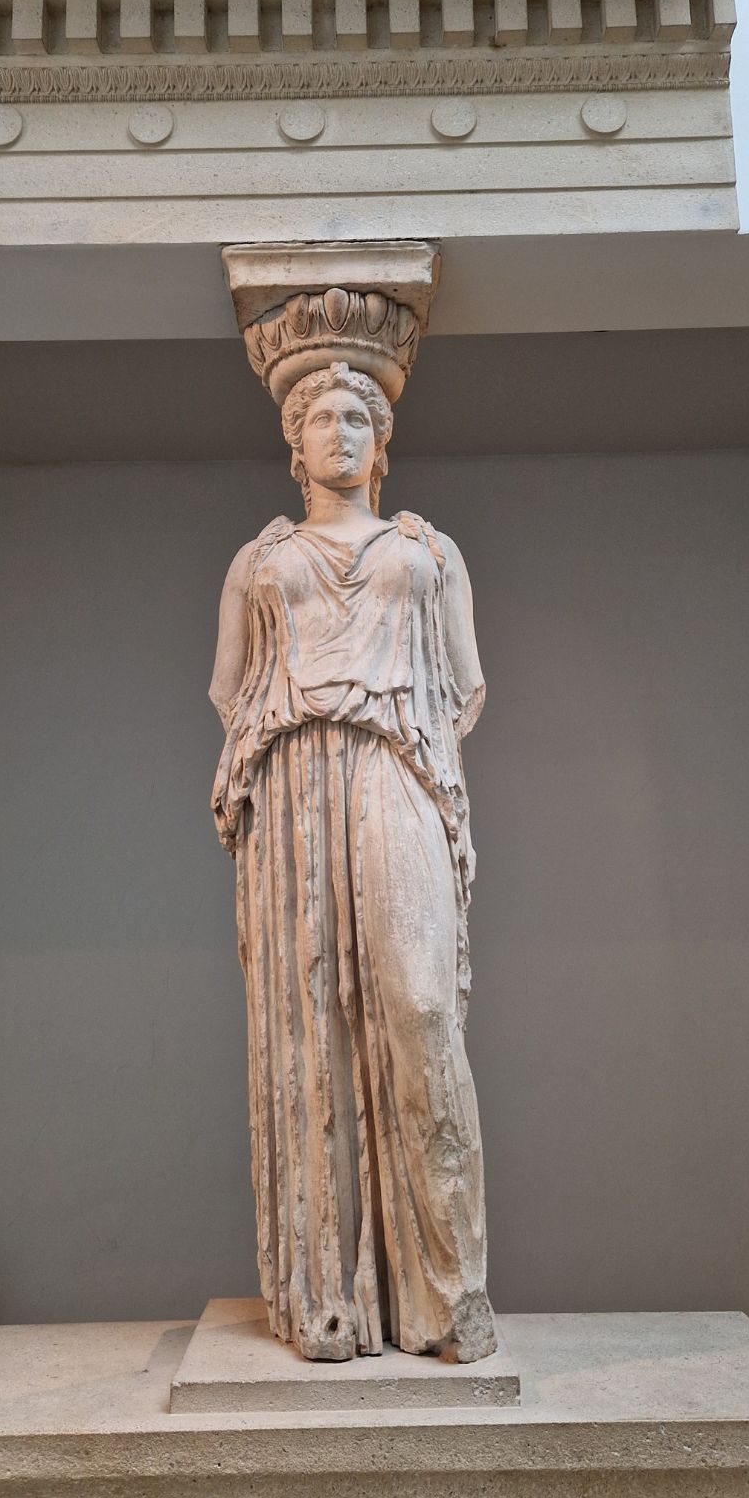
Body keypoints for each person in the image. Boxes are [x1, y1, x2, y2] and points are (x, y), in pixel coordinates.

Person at [210, 360, 495, 1363]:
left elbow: (464, 688)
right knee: (311, 1021)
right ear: (295, 446)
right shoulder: (260, 561)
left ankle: (444, 1292)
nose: (339, 431)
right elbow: (230, 691)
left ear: (382, 442)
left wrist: (386, 731)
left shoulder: (429, 552)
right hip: (293, 784)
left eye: (357, 417)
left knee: (420, 1006)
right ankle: (329, 1295)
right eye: (321, 417)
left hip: (397, 765)